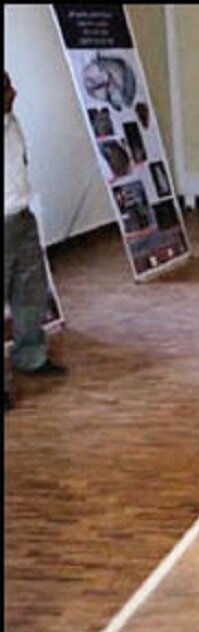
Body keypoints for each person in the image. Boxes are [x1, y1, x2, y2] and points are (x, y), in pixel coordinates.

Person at [5, 71, 67, 412]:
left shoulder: (11, 122)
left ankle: (31, 356)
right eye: (6, 88)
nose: (14, 92)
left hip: (22, 215)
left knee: (30, 293)